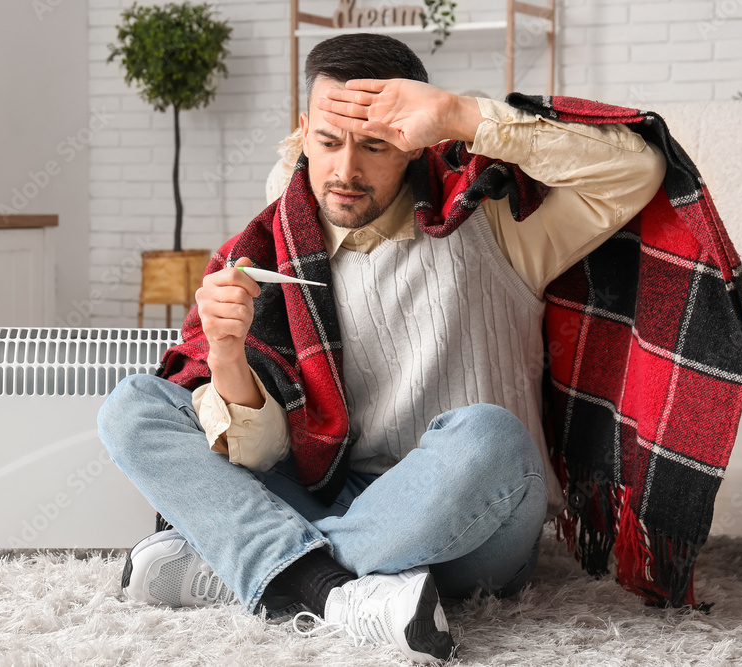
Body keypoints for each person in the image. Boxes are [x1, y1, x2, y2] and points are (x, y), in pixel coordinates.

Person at [98, 33, 666, 664]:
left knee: (491, 436)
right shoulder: (280, 239)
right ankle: (329, 592)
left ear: (414, 143)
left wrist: (459, 114)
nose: (345, 171)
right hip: (334, 491)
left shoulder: (496, 217)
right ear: (303, 132)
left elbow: (637, 168)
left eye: (374, 146)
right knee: (133, 406)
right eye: (328, 142)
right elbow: (267, 452)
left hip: (475, 510)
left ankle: (256, 565)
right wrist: (229, 357)